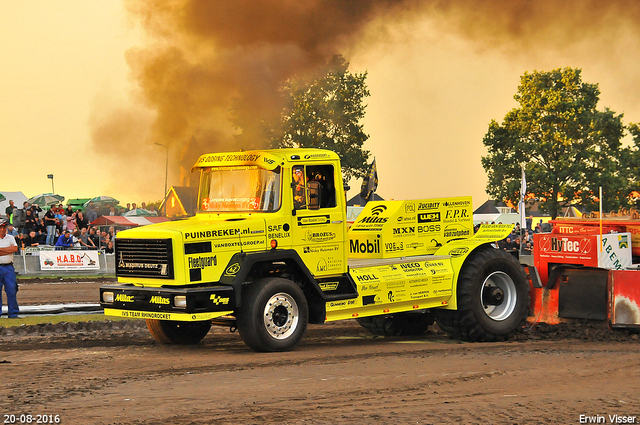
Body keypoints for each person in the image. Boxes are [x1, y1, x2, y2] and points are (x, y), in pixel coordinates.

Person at [0, 219, 19, 318]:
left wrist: (1, 250)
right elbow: (11, 249)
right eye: (1, 227)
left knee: (12, 290)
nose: (3, 229)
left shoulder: (10, 237)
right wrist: (8, 250)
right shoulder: (10, 240)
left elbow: (15, 249)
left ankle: (13, 313)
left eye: (4, 227)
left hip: (8, 267)